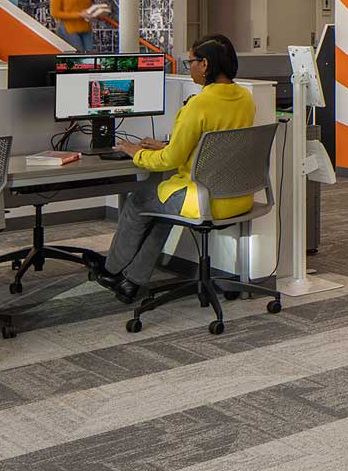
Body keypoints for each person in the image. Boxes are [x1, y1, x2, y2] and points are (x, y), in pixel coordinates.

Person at [91, 37, 256, 303]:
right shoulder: (245, 99)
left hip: (203, 199)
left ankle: (111, 270)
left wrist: (137, 152)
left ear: (205, 64)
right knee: (160, 209)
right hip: (238, 197)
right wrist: (166, 145)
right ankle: (132, 281)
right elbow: (214, 144)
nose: (188, 67)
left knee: (139, 202)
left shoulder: (198, 105)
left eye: (190, 61)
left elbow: (169, 161)